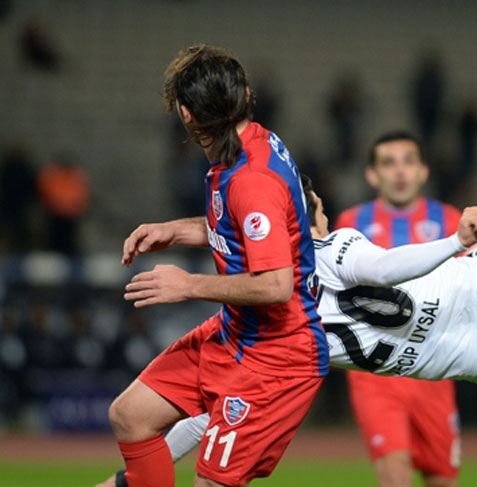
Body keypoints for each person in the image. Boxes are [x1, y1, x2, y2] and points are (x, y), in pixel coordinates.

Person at [99, 24, 477, 487]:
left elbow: (203, 413)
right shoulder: (330, 245)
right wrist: (457, 243)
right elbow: (383, 266)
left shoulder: (287, 328)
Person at [106, 45, 327, 487]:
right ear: (246, 95)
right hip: (236, 331)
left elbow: (276, 285)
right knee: (130, 415)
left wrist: (188, 285)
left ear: (187, 116)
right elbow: (250, 226)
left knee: (209, 483)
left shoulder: (251, 179)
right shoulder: (250, 144)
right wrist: (180, 230)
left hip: (276, 355)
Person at [334, 131, 463, 487]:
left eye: (408, 161)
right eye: (388, 163)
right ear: (372, 175)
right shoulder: (350, 224)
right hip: (374, 372)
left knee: (443, 479)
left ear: (423, 171)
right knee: (395, 478)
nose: (399, 172)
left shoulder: (450, 222)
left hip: (435, 370)